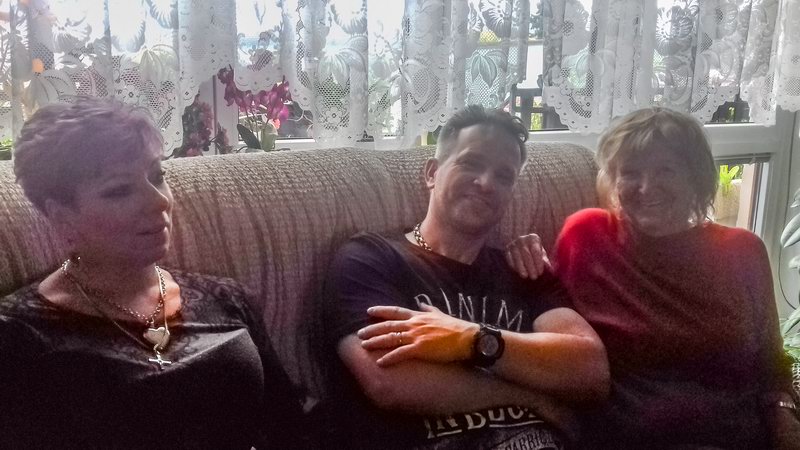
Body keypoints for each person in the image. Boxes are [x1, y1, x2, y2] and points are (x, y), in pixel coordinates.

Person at [0, 97, 306, 449]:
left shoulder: (227, 298)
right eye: (119, 190)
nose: (159, 201)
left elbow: (289, 428)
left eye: (157, 176)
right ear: (61, 216)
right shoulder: (19, 336)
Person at [507, 107, 800, 449]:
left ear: (696, 177)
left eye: (666, 170)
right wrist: (524, 258)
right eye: (630, 172)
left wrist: (786, 421)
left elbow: (772, 363)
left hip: (738, 439)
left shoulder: (742, 250)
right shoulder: (586, 236)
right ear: (613, 180)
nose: (647, 187)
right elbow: (547, 316)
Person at [323, 105, 609, 449]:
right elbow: (388, 380)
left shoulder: (524, 269)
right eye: (471, 163)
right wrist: (530, 397)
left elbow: (591, 370)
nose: (486, 183)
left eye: (503, 176)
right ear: (432, 173)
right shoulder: (371, 257)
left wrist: (471, 339)